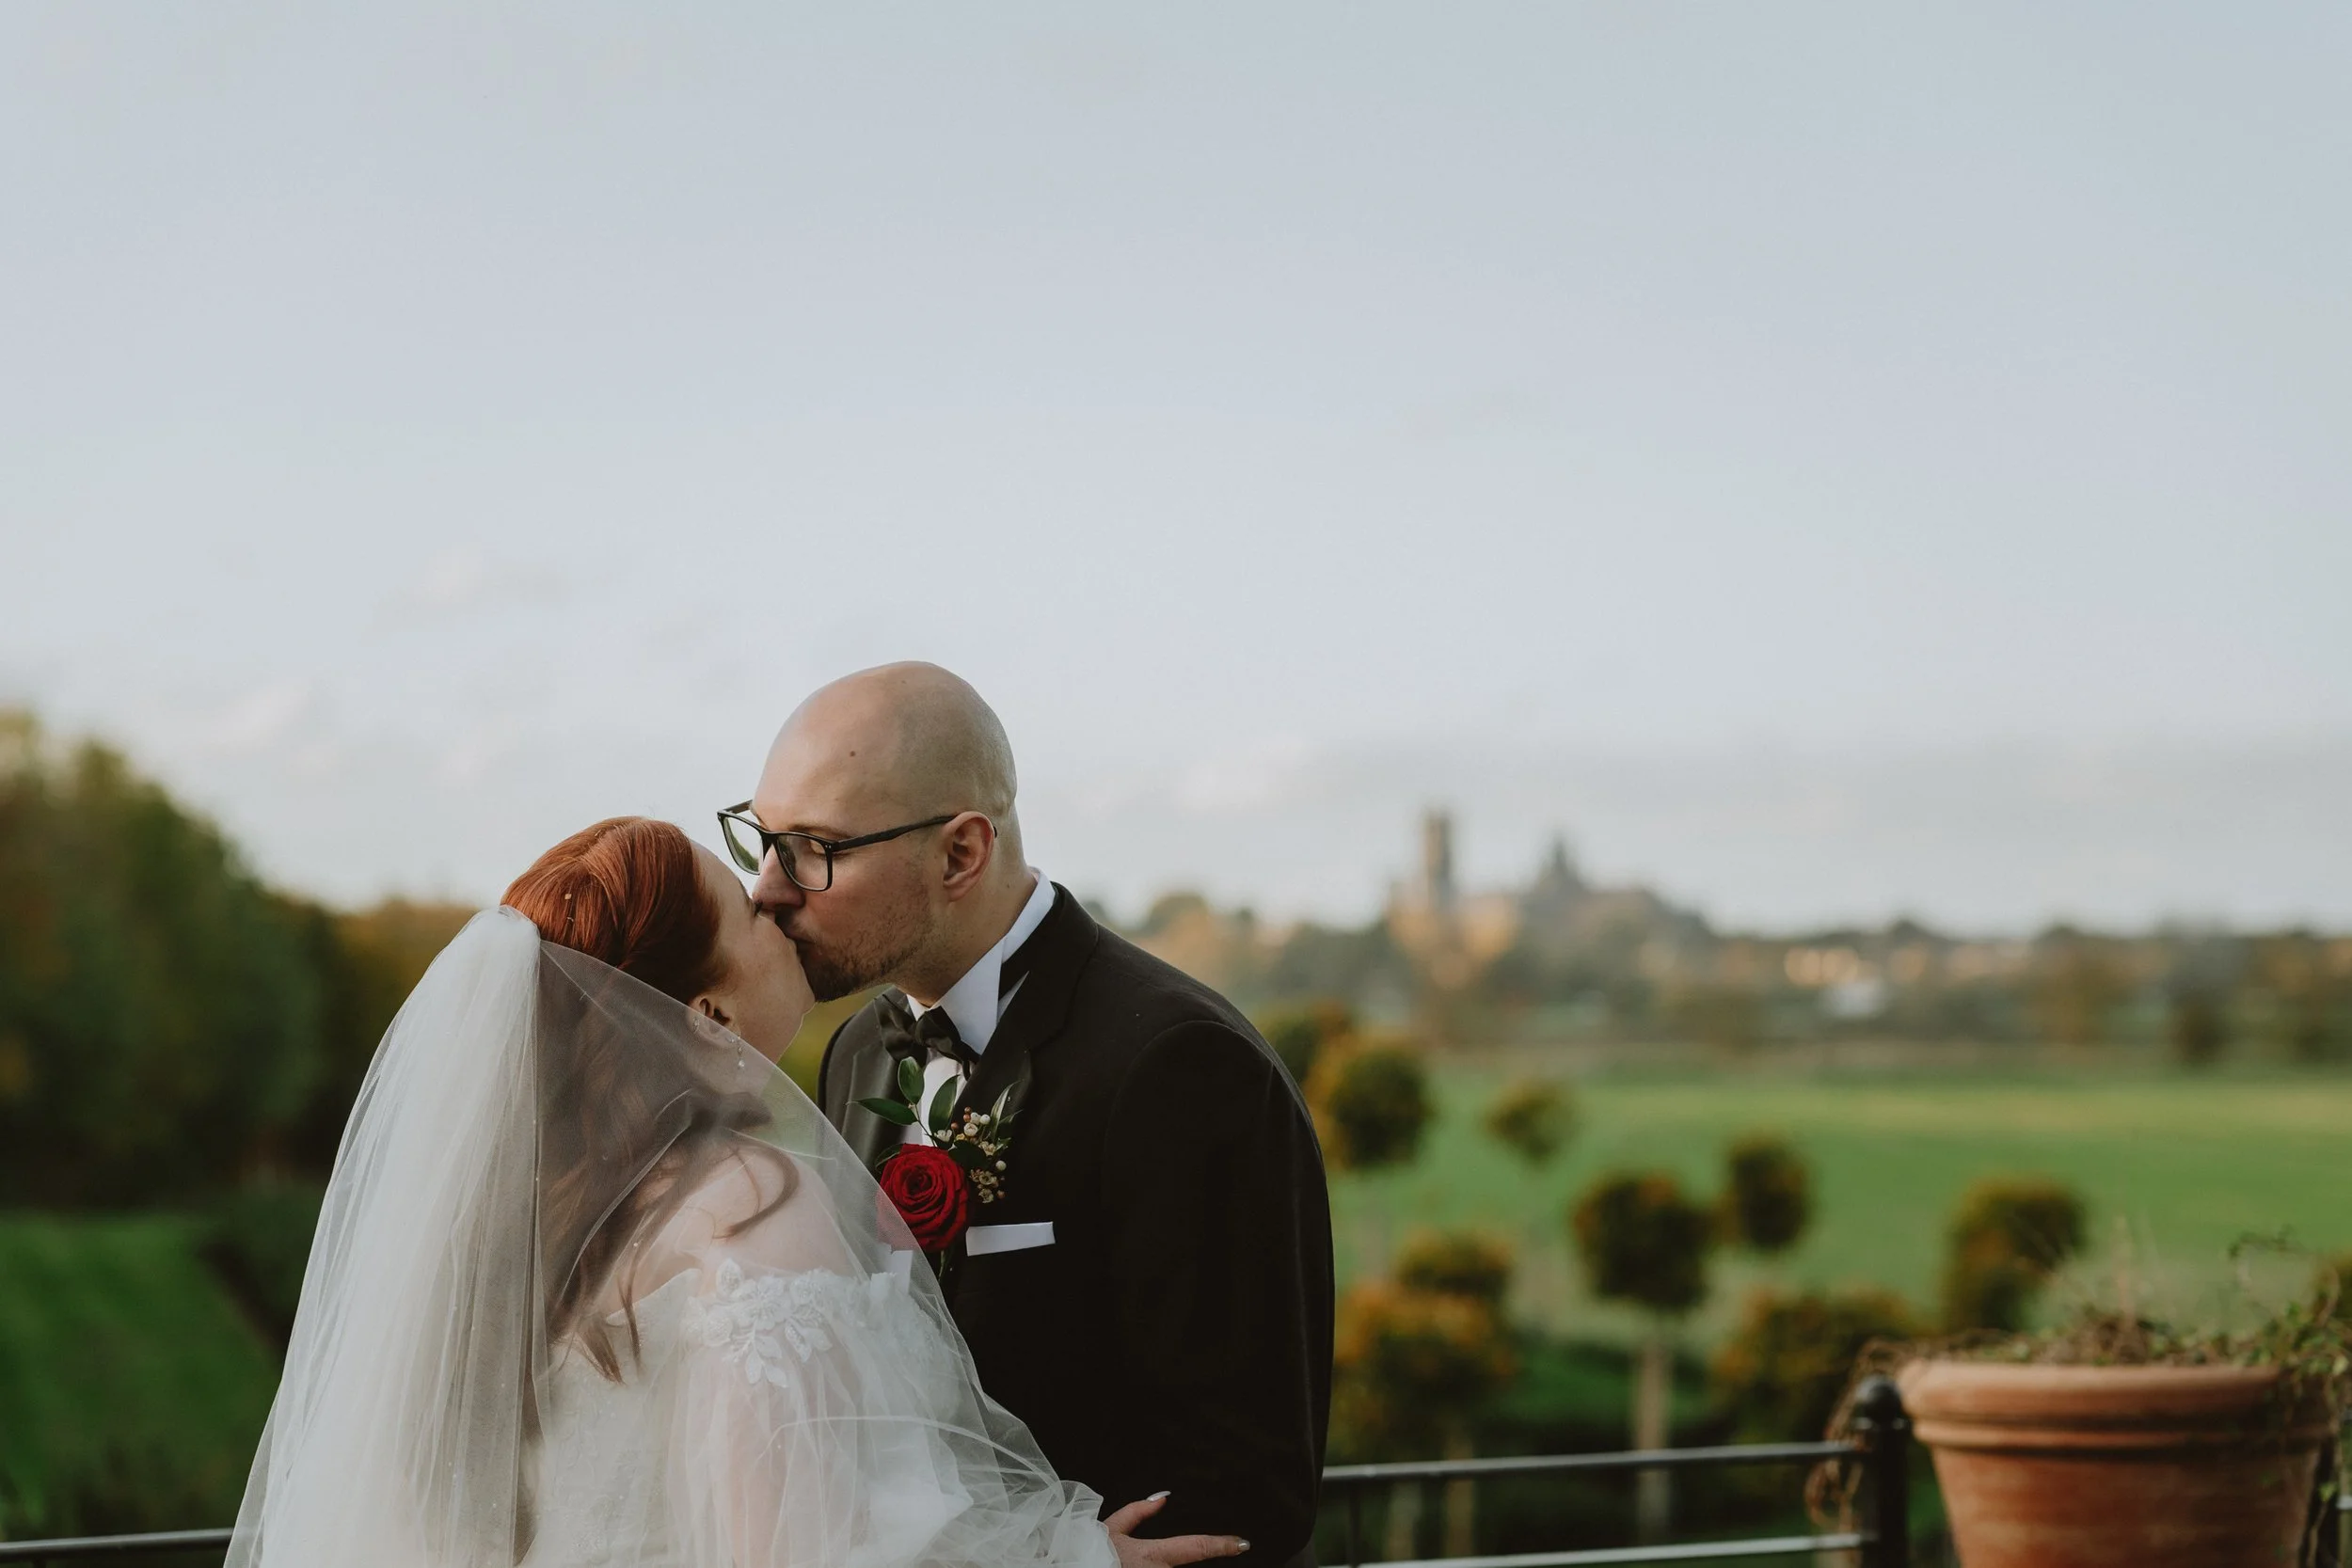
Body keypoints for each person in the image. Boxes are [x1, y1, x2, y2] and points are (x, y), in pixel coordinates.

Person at [227, 816, 1247, 1568]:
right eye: (747, 912)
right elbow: (792, 1542)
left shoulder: (535, 1227)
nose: (778, 907)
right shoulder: (750, 1199)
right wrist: (1073, 1560)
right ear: (709, 1016)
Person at [724, 664, 1333, 1568]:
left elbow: (1239, 1501)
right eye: (762, 840)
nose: (768, 888)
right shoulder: (855, 1051)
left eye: (814, 848)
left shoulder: (1183, 1068)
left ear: (961, 853)